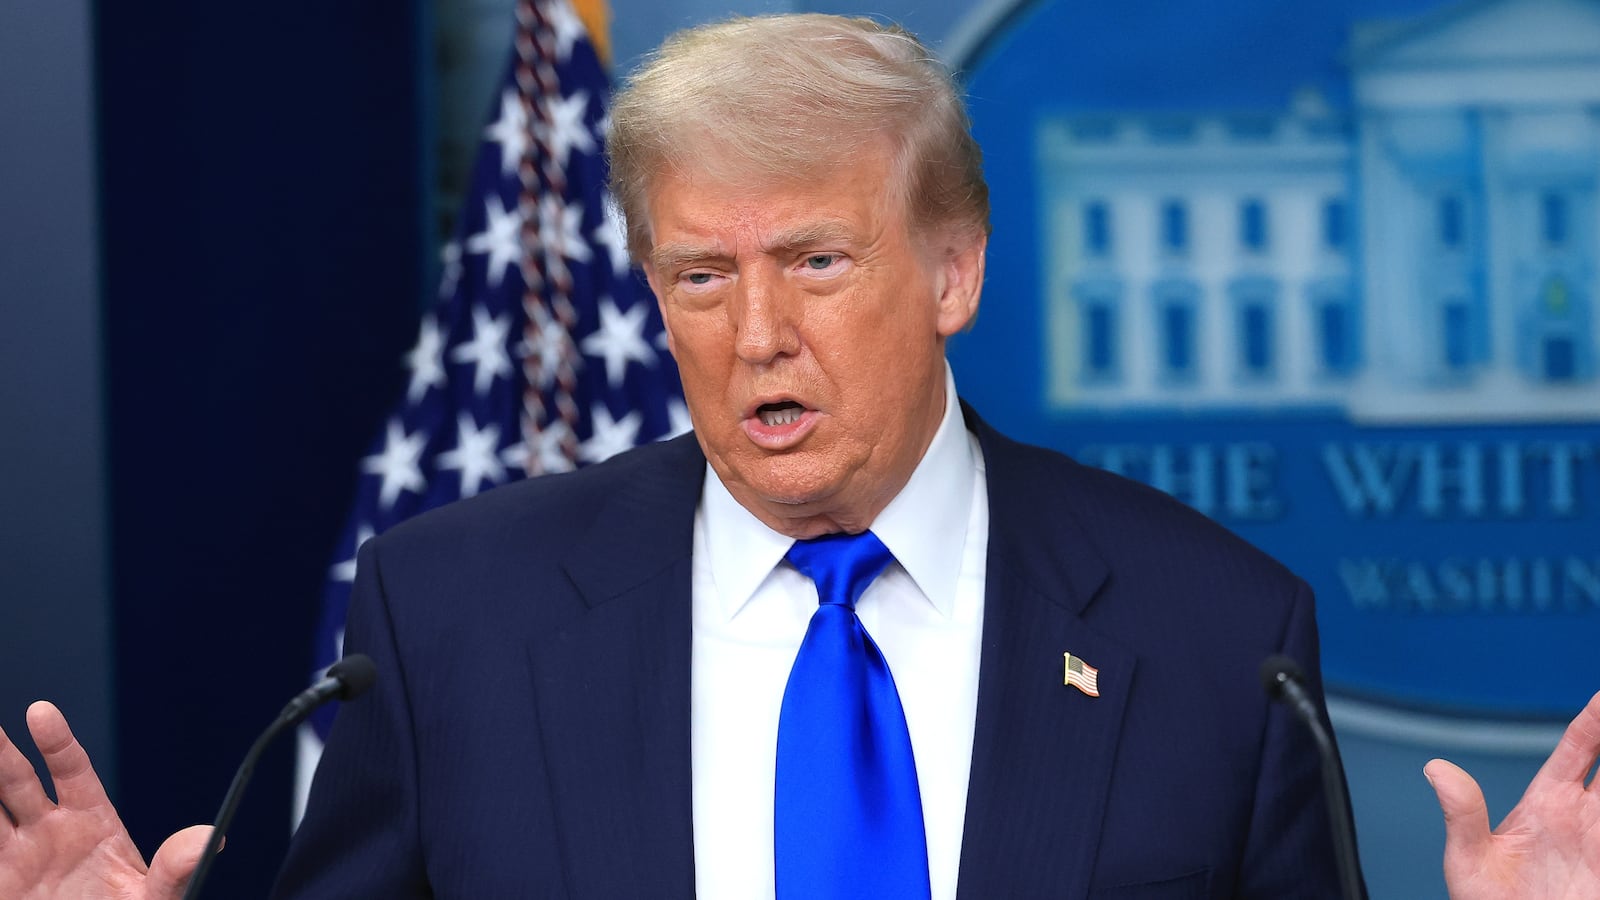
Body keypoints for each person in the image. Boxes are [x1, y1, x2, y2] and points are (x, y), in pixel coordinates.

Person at [2, 13, 1598, 900]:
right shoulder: (453, 617)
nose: (756, 330)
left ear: (955, 271)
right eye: (701, 275)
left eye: (817, 264)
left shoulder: (1215, 634)